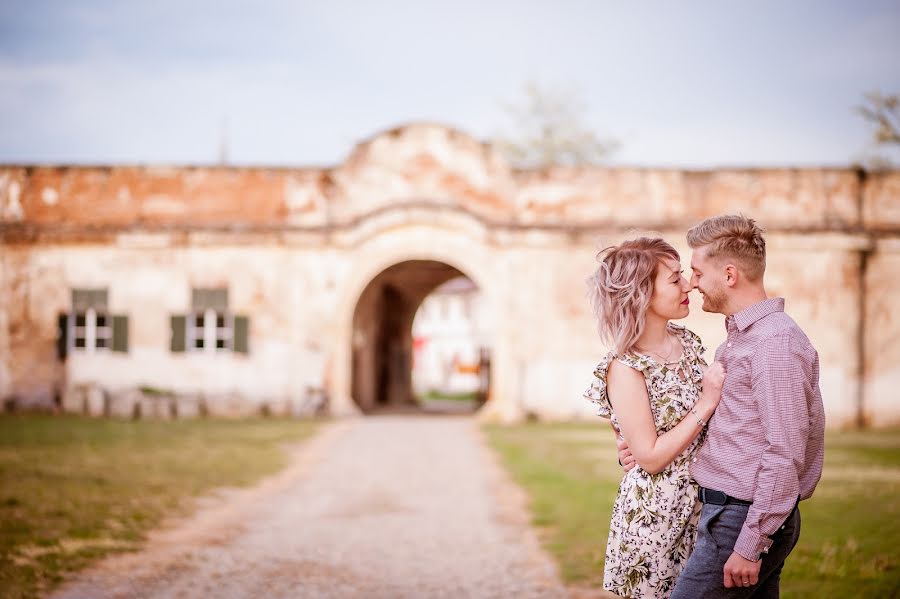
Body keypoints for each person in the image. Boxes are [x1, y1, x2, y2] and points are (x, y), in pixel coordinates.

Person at [618, 215, 826, 598]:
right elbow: (740, 428)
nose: (692, 283)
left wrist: (751, 543)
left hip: (741, 519)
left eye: (696, 272)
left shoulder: (773, 344)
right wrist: (645, 443)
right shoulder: (737, 341)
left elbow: (785, 452)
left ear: (729, 275)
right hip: (728, 515)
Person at [583, 237, 725, 598]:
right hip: (655, 519)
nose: (688, 285)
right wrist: (705, 403)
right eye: (674, 279)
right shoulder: (625, 367)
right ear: (642, 294)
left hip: (706, 508)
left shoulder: (690, 342)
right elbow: (649, 456)